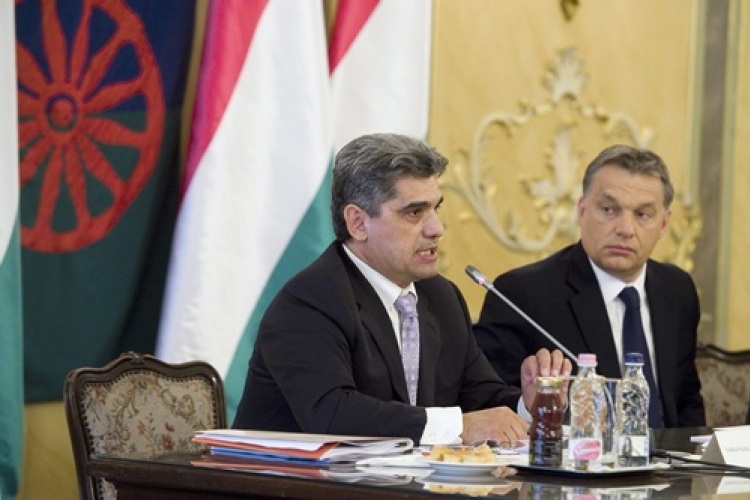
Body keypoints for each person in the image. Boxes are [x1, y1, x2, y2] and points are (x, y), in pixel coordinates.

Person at [232, 133, 571, 445]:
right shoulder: (310, 301)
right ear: (358, 223)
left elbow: (479, 398)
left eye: (435, 208)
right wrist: (460, 427)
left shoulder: (441, 297)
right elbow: (333, 413)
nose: (436, 228)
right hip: (285, 483)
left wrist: (530, 405)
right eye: (414, 213)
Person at [473, 144, 705, 428]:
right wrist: (531, 405)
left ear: (664, 223)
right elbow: (488, 401)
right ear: (582, 210)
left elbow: (686, 400)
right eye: (609, 210)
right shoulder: (523, 294)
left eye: (643, 214)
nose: (625, 229)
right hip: (577, 454)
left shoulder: (677, 290)